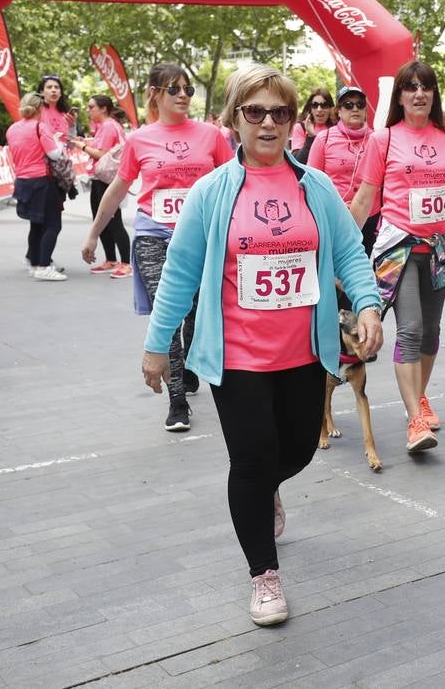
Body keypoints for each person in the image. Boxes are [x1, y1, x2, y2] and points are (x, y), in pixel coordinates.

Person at [142, 63, 382, 627]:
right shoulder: (211, 192)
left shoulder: (315, 186)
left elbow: (349, 252)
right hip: (238, 358)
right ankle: (264, 575)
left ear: (293, 120)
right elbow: (179, 273)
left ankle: (267, 488)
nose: (268, 122)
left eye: (279, 112)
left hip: (305, 352)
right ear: (234, 119)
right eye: (255, 111)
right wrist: (157, 347)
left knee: (296, 450)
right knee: (250, 462)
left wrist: (368, 304)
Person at [347, 60, 445, 454]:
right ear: (400, 96)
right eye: (411, 87)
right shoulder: (383, 140)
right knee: (411, 329)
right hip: (398, 249)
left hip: (440, 249)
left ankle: (418, 396)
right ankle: (414, 421)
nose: (419, 94)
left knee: (432, 334)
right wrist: (343, 249)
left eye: (427, 87)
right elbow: (366, 199)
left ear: (433, 94)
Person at [81, 63, 234, 432]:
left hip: (200, 237)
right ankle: (177, 400)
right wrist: (92, 234)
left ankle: (191, 365)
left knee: (196, 315)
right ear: (155, 94)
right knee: (169, 315)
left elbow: (236, 180)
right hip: (154, 235)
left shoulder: (211, 135)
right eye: (173, 89)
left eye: (187, 89)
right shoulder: (139, 139)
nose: (183, 95)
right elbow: (118, 188)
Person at [306, 85, 378, 256]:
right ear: (338, 111)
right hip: (335, 217)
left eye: (360, 105)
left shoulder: (377, 139)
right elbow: (311, 182)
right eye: (348, 105)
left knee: (368, 274)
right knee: (337, 273)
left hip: (372, 219)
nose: (355, 109)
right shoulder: (325, 138)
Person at [6, 92, 71, 282]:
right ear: (40, 109)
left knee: (36, 224)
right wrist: (58, 141)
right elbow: (53, 154)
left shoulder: (12, 129)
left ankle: (35, 263)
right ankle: (43, 266)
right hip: (42, 181)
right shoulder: (40, 127)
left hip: (22, 181)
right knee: (53, 225)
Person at [73, 95, 132, 278]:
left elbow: (101, 154)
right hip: (101, 179)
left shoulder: (108, 125)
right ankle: (111, 260)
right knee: (101, 220)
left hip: (107, 180)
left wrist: (81, 146)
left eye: (91, 107)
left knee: (113, 221)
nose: (88, 110)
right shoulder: (106, 126)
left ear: (103, 109)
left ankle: (126, 263)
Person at [290, 88, 334, 164]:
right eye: (315, 105)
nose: (319, 109)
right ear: (310, 108)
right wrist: (310, 137)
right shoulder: (301, 127)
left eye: (324, 105)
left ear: (331, 108)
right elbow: (298, 162)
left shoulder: (336, 128)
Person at [38, 74, 77, 142]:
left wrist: (72, 126)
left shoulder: (66, 113)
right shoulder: (36, 111)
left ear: (61, 93)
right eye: (49, 87)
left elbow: (71, 145)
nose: (54, 90)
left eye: (56, 87)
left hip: (63, 151)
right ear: (42, 92)